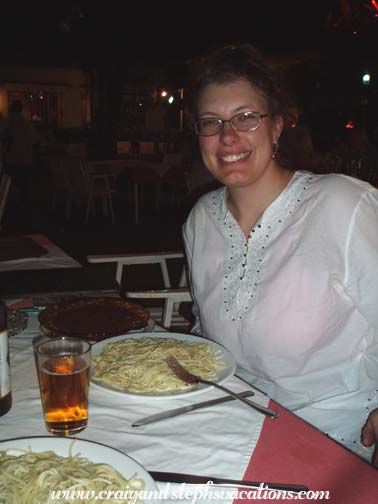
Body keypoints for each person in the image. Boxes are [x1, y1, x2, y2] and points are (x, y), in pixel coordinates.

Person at [182, 43, 378, 465]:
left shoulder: (342, 206)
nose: (227, 137)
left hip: (332, 436)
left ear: (277, 127)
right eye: (211, 122)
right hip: (232, 421)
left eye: (246, 118)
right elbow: (208, 332)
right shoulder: (200, 219)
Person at [2, 100, 37, 230]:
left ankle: (11, 212)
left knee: (9, 187)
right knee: (23, 188)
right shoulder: (26, 123)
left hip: (12, 160)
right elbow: (34, 140)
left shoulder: (9, 122)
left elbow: (4, 138)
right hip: (25, 160)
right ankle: (23, 213)